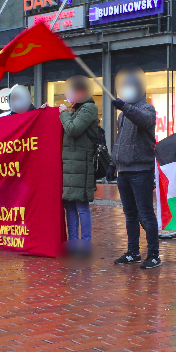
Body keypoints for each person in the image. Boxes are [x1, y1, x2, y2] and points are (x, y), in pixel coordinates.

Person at [110, 69, 161, 269]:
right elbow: (119, 139)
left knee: (146, 214)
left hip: (141, 171)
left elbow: (143, 119)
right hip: (124, 171)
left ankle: (154, 255)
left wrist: (125, 108)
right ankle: (133, 252)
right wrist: (113, 164)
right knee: (130, 214)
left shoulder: (147, 109)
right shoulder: (123, 115)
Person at [58, 76, 99, 257]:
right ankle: (73, 243)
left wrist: (63, 113)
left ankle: (86, 244)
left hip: (81, 166)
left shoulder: (89, 109)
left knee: (81, 206)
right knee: (70, 206)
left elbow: (73, 128)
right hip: (69, 166)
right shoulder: (73, 110)